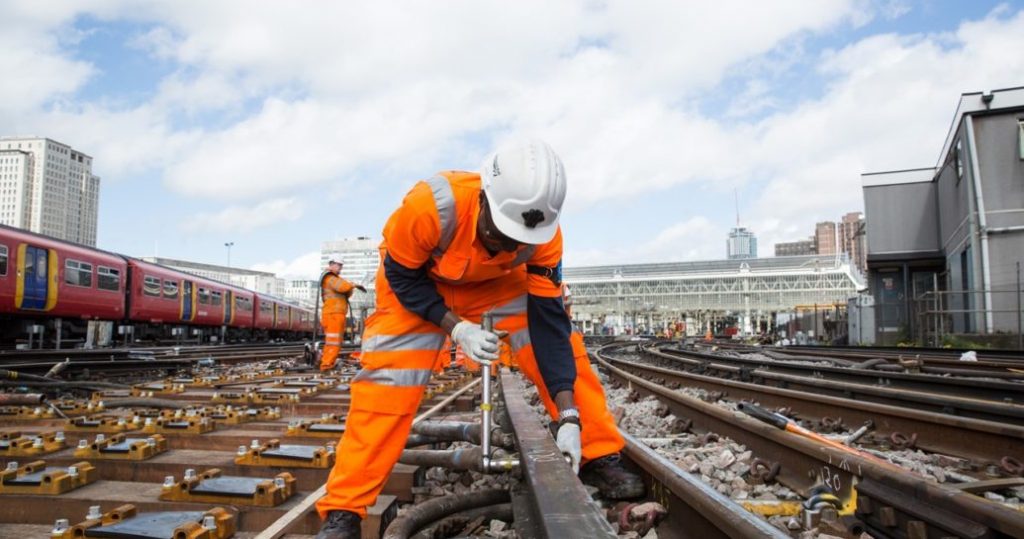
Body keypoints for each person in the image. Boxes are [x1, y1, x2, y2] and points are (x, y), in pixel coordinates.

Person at [315, 140, 643, 538]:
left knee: (568, 354)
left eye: (519, 240)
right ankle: (344, 512)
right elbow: (403, 277)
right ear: (485, 198)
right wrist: (455, 326)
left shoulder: (543, 237)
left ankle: (597, 452)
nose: (508, 245)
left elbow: (548, 325)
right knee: (387, 386)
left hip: (499, 286)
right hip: (419, 288)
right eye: (501, 233)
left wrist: (568, 414)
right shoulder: (430, 207)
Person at [318, 257, 366, 371]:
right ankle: (326, 365)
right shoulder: (329, 277)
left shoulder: (334, 278)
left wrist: (351, 287)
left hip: (335, 313)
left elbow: (346, 292)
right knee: (333, 342)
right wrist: (353, 284)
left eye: (341, 265)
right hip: (333, 314)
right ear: (331, 264)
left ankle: (326, 362)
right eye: (338, 265)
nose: (340, 268)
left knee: (333, 341)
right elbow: (343, 287)